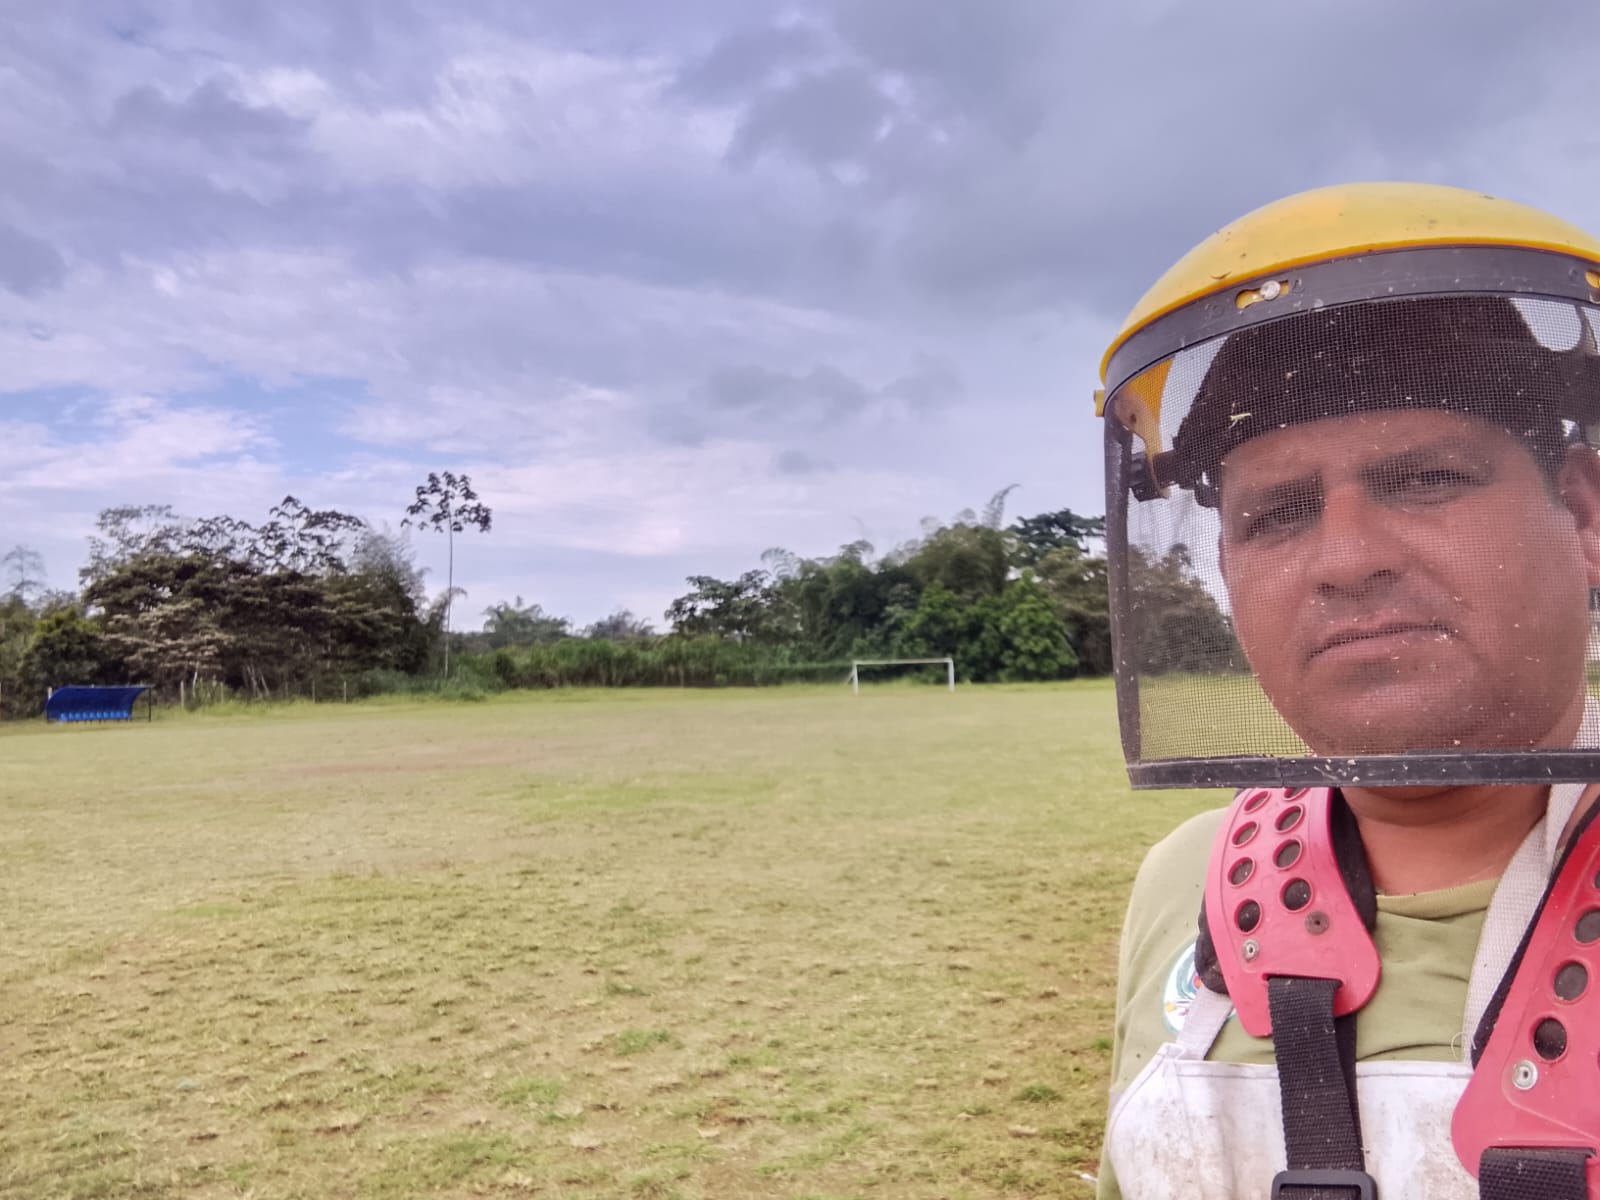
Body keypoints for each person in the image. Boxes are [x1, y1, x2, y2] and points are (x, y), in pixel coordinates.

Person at [1093, 182, 1600, 1199]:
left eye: (1424, 479)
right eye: (1278, 514)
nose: (1346, 558)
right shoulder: (1185, 877)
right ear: (1227, 572)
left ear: (1585, 515)